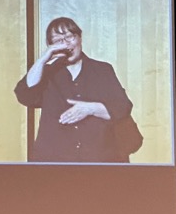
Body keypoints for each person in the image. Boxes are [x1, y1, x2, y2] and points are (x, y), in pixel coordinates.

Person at [14, 17, 134, 163]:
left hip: (99, 159)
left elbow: (123, 107)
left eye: (69, 37)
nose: (65, 43)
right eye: (58, 40)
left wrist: (91, 109)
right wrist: (44, 59)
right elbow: (24, 95)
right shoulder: (45, 73)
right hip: (54, 161)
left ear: (79, 38)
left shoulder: (103, 70)